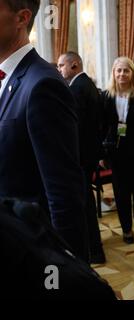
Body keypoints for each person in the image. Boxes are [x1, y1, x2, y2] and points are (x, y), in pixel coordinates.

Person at [0, 0, 87, 259]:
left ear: (21, 18)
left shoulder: (43, 84)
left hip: (30, 252)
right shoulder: (8, 79)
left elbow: (64, 194)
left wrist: (63, 274)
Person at [57, 51, 106, 264]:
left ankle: (94, 250)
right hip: (89, 154)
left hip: (81, 157)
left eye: (61, 65)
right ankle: (93, 248)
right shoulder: (86, 84)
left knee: (84, 205)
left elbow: (75, 128)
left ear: (74, 65)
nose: (59, 70)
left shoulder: (77, 88)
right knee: (85, 203)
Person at [101, 57, 134, 244]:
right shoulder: (106, 96)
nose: (122, 74)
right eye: (119, 70)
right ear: (113, 73)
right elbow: (101, 126)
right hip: (116, 154)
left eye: (126, 70)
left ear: (132, 73)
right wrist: (102, 154)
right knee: (121, 193)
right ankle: (126, 228)